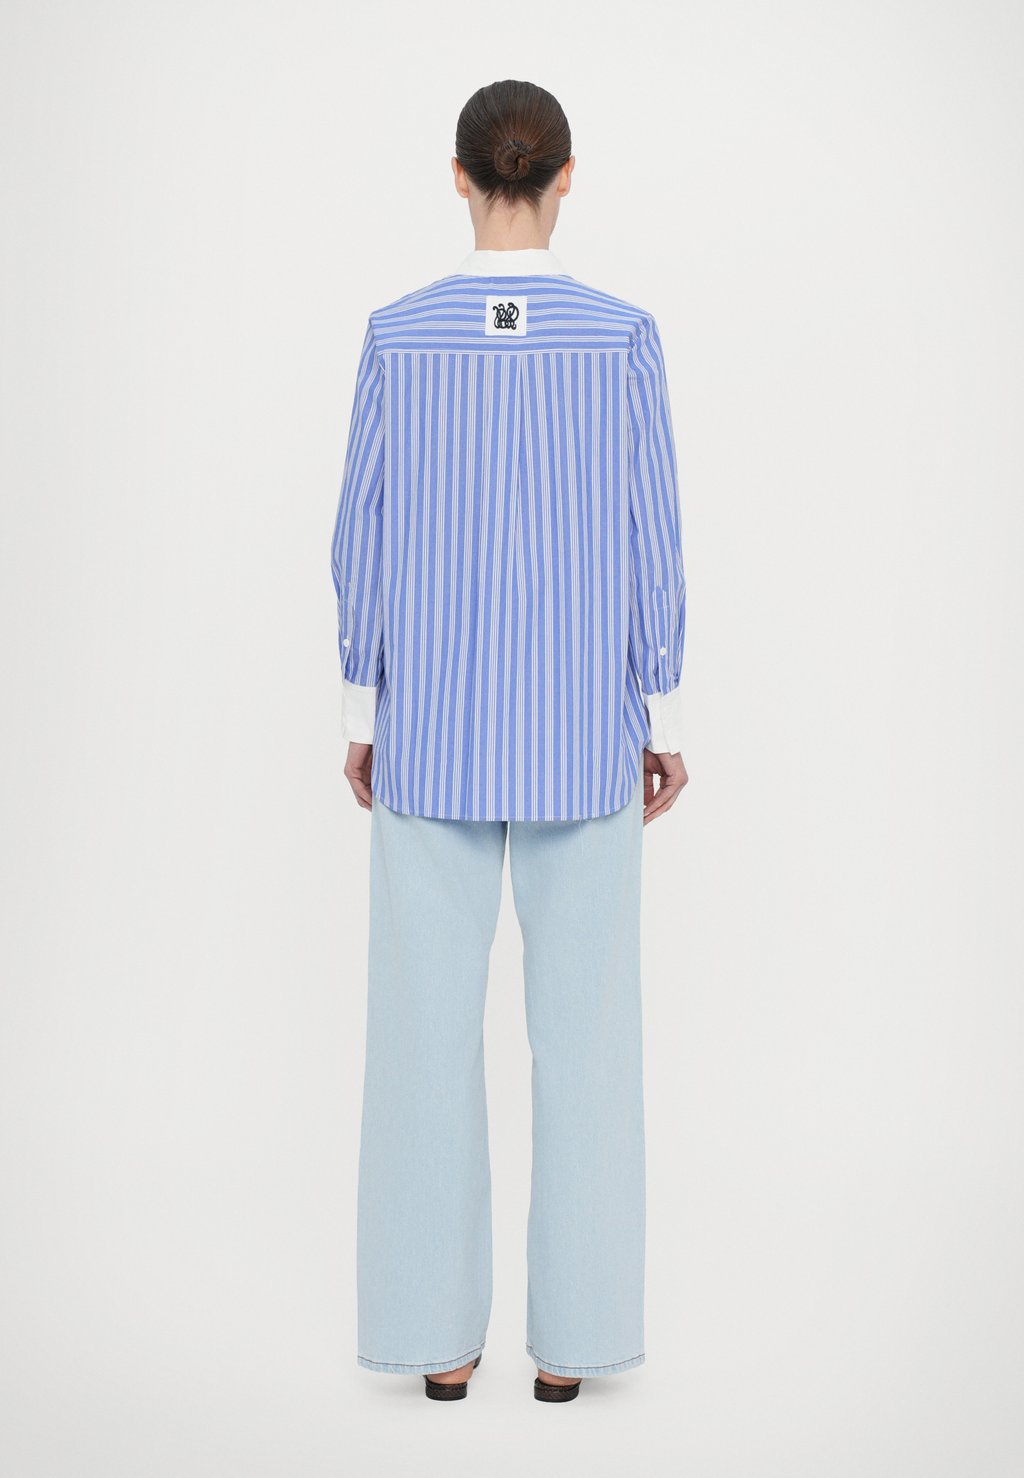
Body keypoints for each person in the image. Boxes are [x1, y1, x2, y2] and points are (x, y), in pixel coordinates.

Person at [329, 78, 689, 1404]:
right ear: (566, 176)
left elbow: (361, 535)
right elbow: (652, 533)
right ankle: (574, 1351)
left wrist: (365, 708)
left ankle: (436, 1343)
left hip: (430, 736)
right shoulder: (622, 338)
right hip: (585, 740)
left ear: (461, 176)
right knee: (587, 1049)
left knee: (420, 1045)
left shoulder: (397, 338)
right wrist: (661, 707)